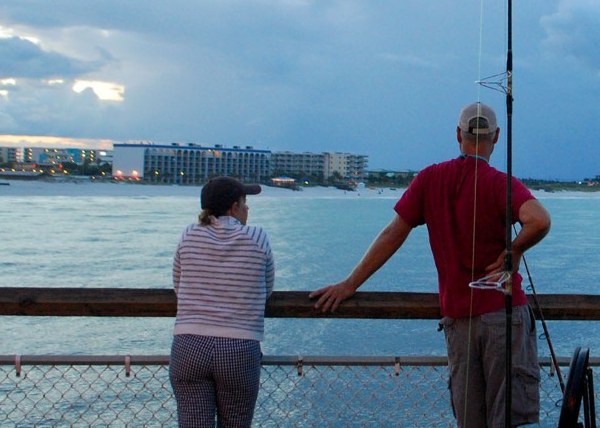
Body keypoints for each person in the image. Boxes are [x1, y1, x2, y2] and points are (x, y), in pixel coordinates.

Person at [310, 102, 552, 428]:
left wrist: (350, 284)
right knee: (509, 418)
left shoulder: (430, 179)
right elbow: (539, 220)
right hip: (504, 316)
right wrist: (514, 250)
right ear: (496, 137)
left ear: (458, 134)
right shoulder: (499, 183)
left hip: (458, 320)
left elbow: (392, 233)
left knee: (470, 419)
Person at [170, 176, 275, 428]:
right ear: (233, 208)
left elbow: (178, 285)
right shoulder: (257, 237)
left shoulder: (189, 234)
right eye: (244, 202)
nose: (247, 208)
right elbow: (267, 288)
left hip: (189, 345)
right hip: (239, 347)